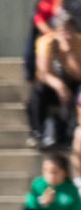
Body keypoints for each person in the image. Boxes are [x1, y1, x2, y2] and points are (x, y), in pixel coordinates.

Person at [33, 18, 81, 153]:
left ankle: (69, 137)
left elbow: (79, 76)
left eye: (69, 31)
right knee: (38, 91)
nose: (66, 35)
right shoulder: (46, 42)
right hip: (52, 86)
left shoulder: (78, 43)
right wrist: (59, 86)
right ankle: (38, 133)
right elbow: (43, 73)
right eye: (63, 31)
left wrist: (69, 52)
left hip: (72, 84)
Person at [30, 0, 81, 83]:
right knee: (36, 43)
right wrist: (58, 34)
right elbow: (50, 14)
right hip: (60, 30)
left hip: (74, 33)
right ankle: (29, 73)